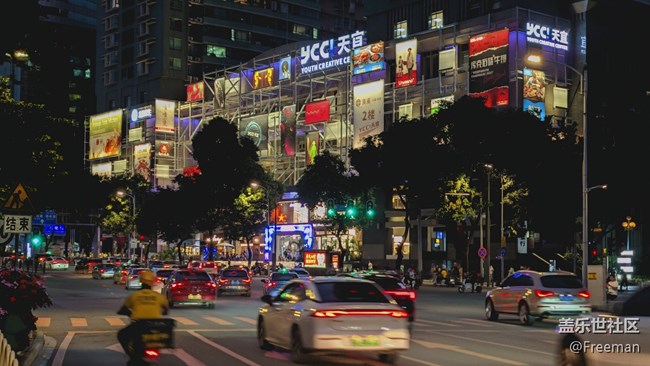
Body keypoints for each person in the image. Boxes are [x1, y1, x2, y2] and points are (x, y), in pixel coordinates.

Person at [117, 270, 169, 366]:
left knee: (121, 335)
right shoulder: (158, 297)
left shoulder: (135, 296)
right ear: (152, 283)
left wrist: (129, 313)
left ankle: (132, 357)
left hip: (138, 326)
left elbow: (122, 310)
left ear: (141, 281)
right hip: (155, 328)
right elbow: (165, 310)